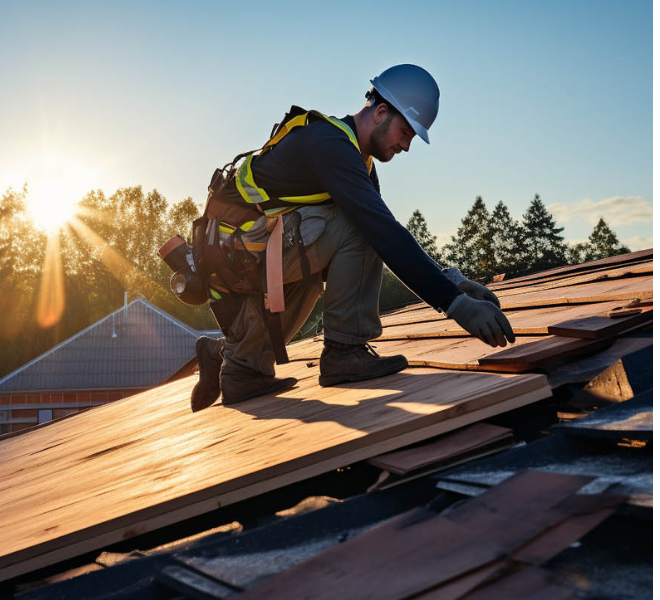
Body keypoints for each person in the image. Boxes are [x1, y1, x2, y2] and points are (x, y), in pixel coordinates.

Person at [191, 64, 515, 411]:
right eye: (405, 132)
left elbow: (389, 229)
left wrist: (453, 282)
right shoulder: (329, 145)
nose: (406, 146)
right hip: (235, 262)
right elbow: (380, 231)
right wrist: (454, 304)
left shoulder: (355, 159)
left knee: (332, 257)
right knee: (359, 227)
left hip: (248, 262)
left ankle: (239, 366)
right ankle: (345, 351)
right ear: (380, 112)